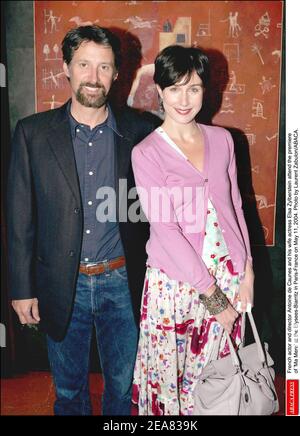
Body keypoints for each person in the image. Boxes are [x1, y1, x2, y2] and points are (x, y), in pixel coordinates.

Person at [7, 25, 154, 415]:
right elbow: (20, 219)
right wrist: (21, 289)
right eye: (84, 65)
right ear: (67, 69)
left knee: (123, 391)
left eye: (104, 67)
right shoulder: (32, 134)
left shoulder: (142, 132)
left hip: (123, 281)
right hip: (60, 282)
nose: (93, 77)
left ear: (117, 74)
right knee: (69, 393)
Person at [131, 45, 254, 415]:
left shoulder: (223, 140)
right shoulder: (147, 153)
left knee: (218, 383)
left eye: (194, 88)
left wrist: (246, 270)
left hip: (228, 277)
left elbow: (235, 205)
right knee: (174, 387)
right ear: (161, 91)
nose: (184, 100)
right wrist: (212, 297)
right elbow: (166, 230)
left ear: (206, 91)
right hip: (176, 286)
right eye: (174, 89)